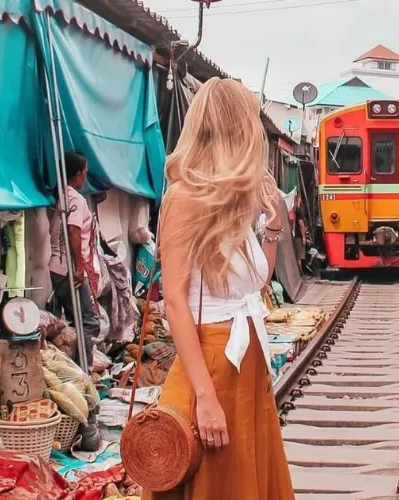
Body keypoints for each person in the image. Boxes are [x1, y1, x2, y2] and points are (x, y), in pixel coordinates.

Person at [141, 78, 293, 499]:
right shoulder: (183, 198)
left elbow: (254, 286)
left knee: (242, 482)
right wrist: (205, 397)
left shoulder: (232, 200)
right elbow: (174, 300)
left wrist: (272, 224)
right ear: (236, 129)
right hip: (212, 363)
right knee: (217, 483)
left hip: (246, 363)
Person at [49, 151, 99, 370]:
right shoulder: (75, 199)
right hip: (68, 270)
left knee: (73, 321)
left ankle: (73, 368)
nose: (86, 177)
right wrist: (79, 268)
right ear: (78, 174)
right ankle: (84, 372)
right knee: (87, 322)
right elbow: (73, 231)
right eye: (85, 172)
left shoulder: (61, 196)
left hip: (57, 268)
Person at [293, 195, 307, 269]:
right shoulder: (299, 210)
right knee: (299, 257)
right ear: (297, 199)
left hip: (292, 236)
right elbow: (301, 224)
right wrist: (303, 237)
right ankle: (299, 272)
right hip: (298, 236)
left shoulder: (292, 210)